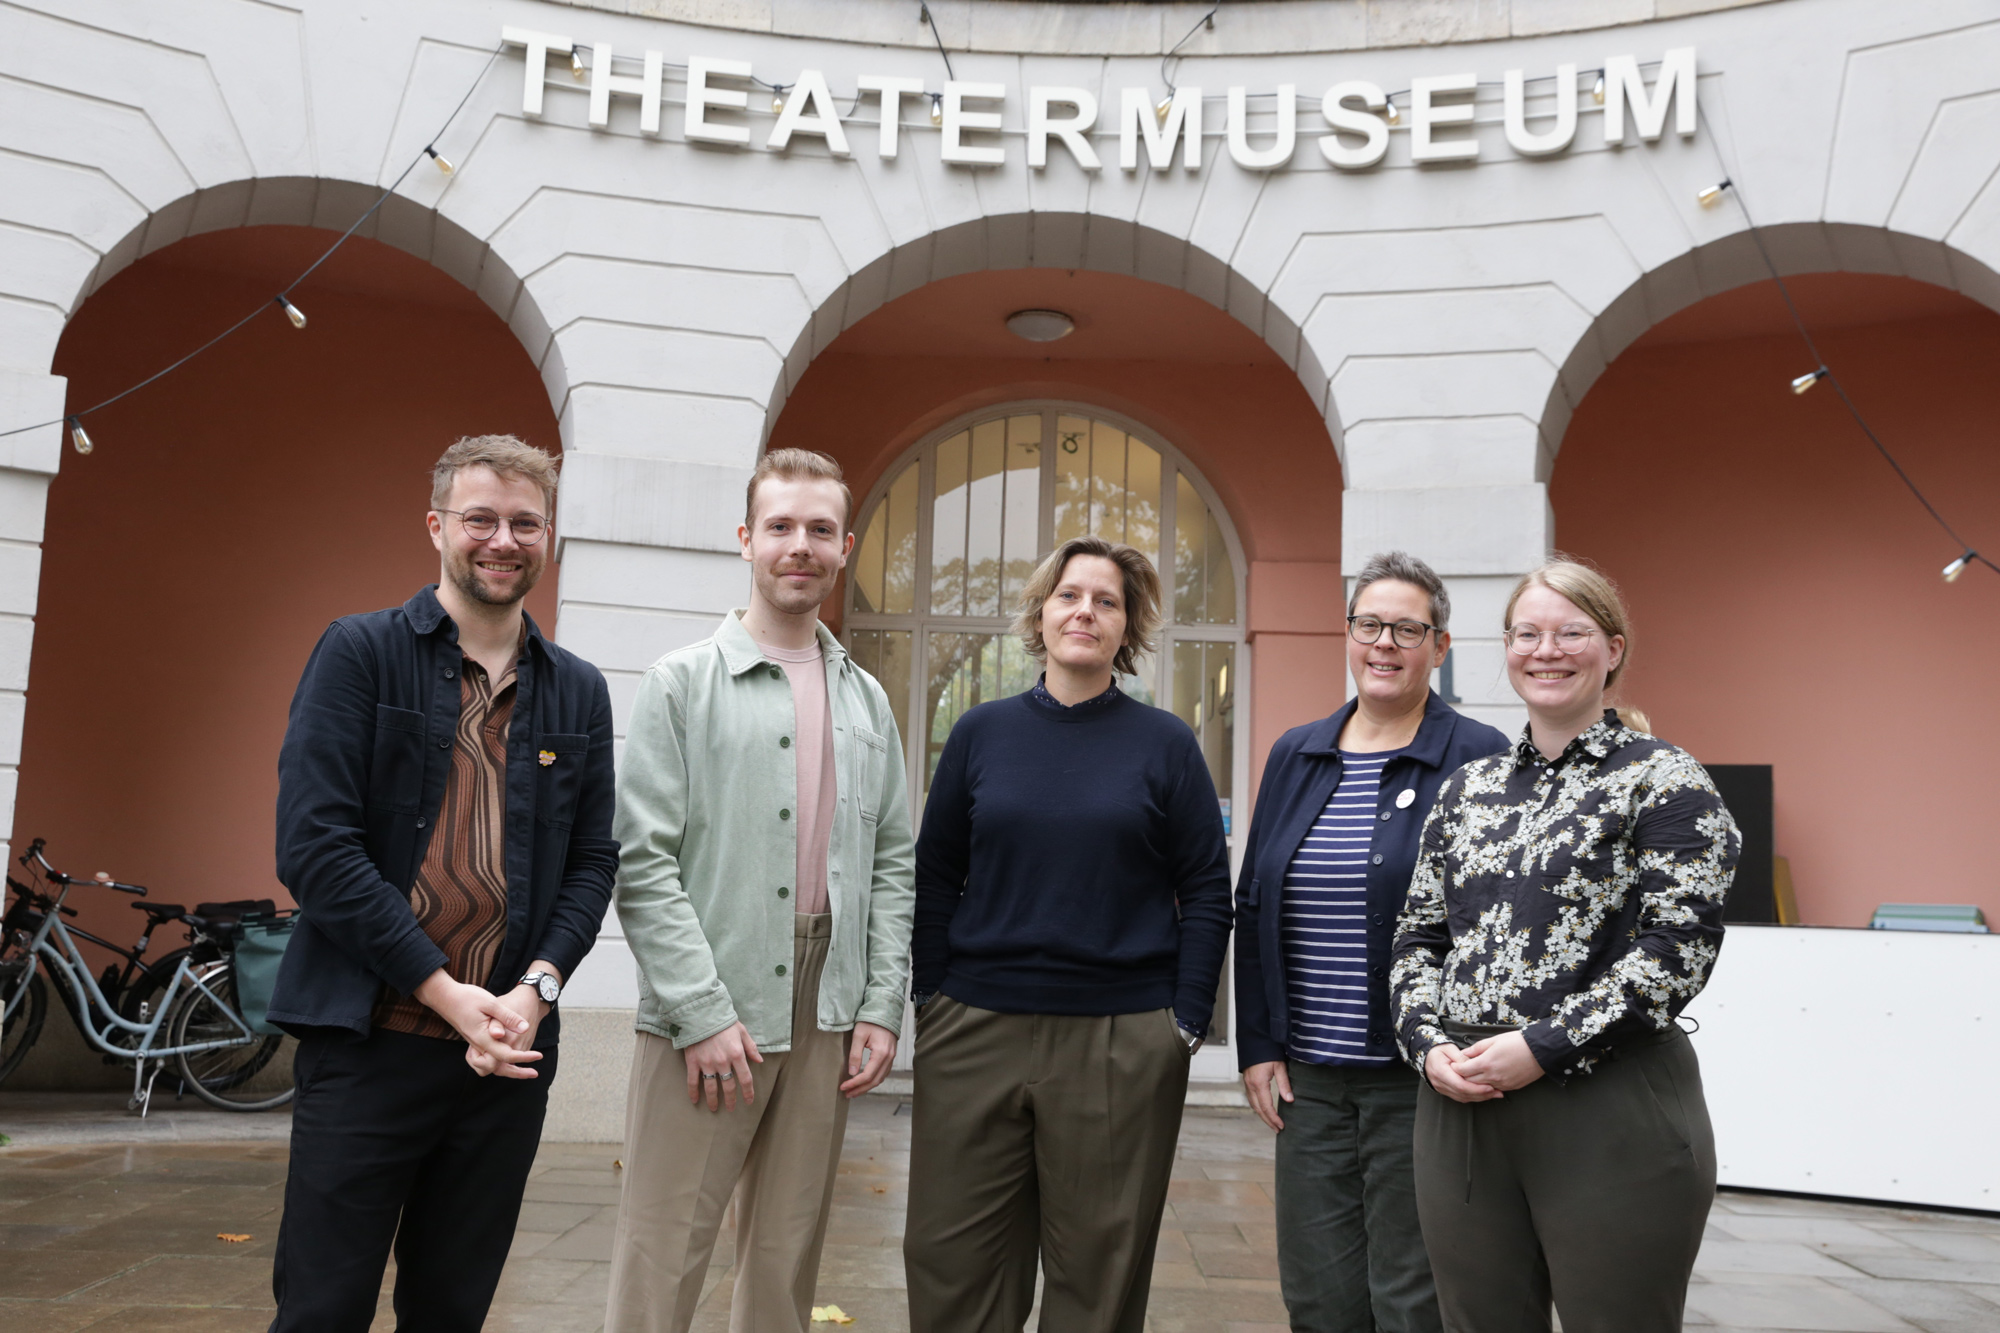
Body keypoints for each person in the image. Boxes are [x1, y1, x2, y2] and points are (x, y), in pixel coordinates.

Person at [268, 435, 618, 1331]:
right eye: (481, 518)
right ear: (437, 526)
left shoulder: (578, 690)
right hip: (367, 1042)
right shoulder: (359, 653)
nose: (503, 539)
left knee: (450, 1310)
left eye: (526, 522)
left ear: (549, 536)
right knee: (321, 1309)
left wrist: (534, 992)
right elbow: (316, 849)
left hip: (507, 1058)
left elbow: (591, 860)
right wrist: (443, 991)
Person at [606, 448, 914, 1333]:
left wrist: (880, 1004)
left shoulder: (867, 702)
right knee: (661, 1253)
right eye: (780, 526)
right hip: (708, 994)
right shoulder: (681, 682)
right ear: (747, 539)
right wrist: (699, 1011)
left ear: (844, 546)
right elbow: (644, 861)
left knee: (786, 1258)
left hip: (828, 1004)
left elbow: (894, 862)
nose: (799, 545)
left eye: (820, 529)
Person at [1389, 557, 1740, 1333]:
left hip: (1608, 1102)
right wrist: (1426, 1044)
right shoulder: (1466, 789)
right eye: (1528, 633)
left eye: (1572, 632)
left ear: (1613, 648)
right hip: (1465, 1105)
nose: (1547, 650)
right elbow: (1418, 936)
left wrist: (1543, 1045)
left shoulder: (1666, 780)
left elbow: (1677, 948)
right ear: (1507, 647)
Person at [903, 535, 1233, 1333]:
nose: (1085, 610)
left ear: (1128, 627)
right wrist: (932, 996)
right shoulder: (981, 734)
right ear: (1041, 614)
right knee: (951, 1258)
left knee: (1100, 1271)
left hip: (1121, 1037)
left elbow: (1207, 889)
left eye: (1107, 600)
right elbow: (936, 872)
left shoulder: (1166, 744)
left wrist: (1182, 1024)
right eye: (1069, 595)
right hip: (974, 1027)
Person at [1235, 551, 1508, 1333]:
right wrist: (1259, 1041)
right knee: (1319, 1297)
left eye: (1407, 629)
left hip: (1418, 1079)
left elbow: (1494, 922)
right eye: (1369, 624)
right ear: (1347, 634)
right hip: (1309, 1082)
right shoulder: (1299, 752)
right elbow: (1255, 901)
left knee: (1410, 1296)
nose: (1384, 643)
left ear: (1441, 646)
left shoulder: (1478, 755)